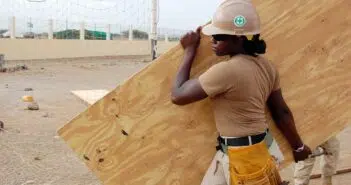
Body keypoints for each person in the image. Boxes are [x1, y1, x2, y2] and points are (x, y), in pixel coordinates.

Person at [170, 0, 312, 184]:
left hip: (244, 159)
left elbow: (177, 95)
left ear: (238, 39)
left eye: (219, 36)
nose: (213, 40)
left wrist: (189, 51)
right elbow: (281, 112)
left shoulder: (226, 71)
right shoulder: (267, 67)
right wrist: (298, 147)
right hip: (251, 151)